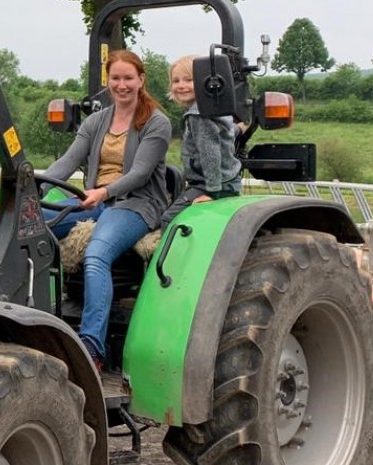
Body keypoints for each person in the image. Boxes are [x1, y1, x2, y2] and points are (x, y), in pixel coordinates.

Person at [41, 49, 171, 369]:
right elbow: (68, 162)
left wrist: (104, 191)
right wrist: (34, 189)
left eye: (129, 78)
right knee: (32, 224)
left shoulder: (157, 122)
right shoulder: (97, 120)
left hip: (136, 204)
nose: (122, 84)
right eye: (116, 78)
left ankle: (91, 350)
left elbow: (140, 173)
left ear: (141, 80)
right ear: (107, 80)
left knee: (97, 254)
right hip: (95, 199)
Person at [160, 55, 242, 227]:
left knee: (170, 220)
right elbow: (225, 133)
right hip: (227, 182)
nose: (181, 86)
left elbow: (210, 153)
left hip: (212, 185)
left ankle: (176, 255)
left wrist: (212, 194)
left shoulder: (198, 116)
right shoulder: (214, 109)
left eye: (189, 80)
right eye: (176, 81)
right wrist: (239, 128)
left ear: (204, 83)